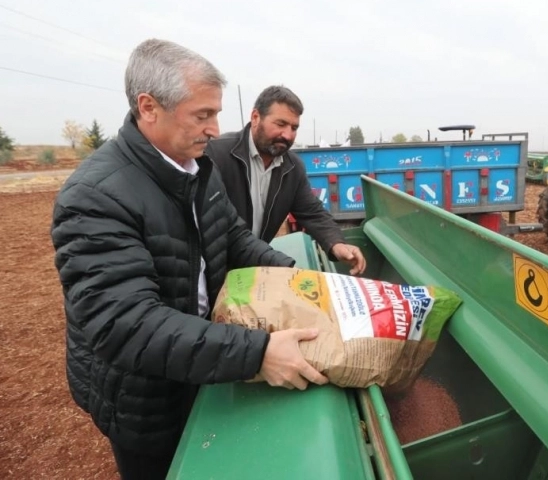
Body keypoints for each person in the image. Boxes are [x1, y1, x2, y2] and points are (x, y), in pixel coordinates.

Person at [50, 39, 328, 480]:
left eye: (216, 113)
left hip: (199, 360)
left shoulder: (195, 167)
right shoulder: (95, 197)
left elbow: (232, 236)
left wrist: (294, 277)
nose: (215, 129)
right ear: (149, 107)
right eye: (203, 115)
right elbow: (128, 325)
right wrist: (257, 354)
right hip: (144, 395)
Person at [206, 85, 367, 275]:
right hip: (213, 271)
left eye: (294, 127)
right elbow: (220, 227)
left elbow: (312, 212)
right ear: (256, 117)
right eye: (280, 124)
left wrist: (337, 244)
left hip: (251, 268)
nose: (288, 135)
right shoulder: (217, 155)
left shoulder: (292, 167)